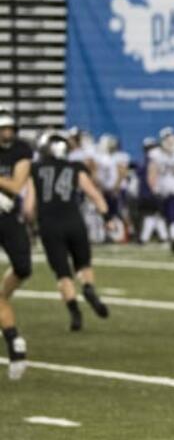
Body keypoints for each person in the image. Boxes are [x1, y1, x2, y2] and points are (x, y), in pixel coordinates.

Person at [29, 131, 111, 331]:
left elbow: (29, 206)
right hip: (74, 220)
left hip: (49, 224)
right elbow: (93, 193)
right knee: (83, 264)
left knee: (62, 272)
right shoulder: (75, 167)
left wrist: (29, 224)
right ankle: (89, 288)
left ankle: (75, 312)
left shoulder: (35, 169)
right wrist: (107, 218)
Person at [0, 109, 33, 379]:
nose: (6, 134)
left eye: (10, 129)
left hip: (8, 216)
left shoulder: (21, 150)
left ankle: (3, 302)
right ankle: (14, 342)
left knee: (23, 267)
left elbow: (17, 184)